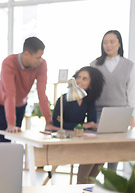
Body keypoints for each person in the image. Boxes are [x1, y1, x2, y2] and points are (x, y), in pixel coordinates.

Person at [0, 36, 56, 142]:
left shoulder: (41, 64)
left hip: (20, 104)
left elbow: (42, 93)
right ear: (26, 54)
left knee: (14, 137)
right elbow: (10, 93)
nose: (40, 60)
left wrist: (48, 122)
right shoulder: (9, 62)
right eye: (37, 57)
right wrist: (11, 124)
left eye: (41, 57)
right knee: (2, 140)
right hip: (2, 103)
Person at [90, 30, 135, 172]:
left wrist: (132, 114)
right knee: (98, 149)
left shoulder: (129, 65)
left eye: (112, 41)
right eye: (105, 42)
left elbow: (131, 91)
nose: (108, 45)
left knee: (115, 149)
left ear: (119, 44)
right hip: (98, 111)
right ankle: (92, 182)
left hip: (120, 112)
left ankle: (110, 181)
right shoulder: (94, 64)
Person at [52, 66, 104, 184]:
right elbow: (56, 124)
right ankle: (82, 183)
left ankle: (88, 182)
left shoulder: (89, 101)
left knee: (101, 154)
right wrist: (82, 125)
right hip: (66, 140)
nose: (79, 81)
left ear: (91, 84)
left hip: (80, 138)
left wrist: (76, 125)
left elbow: (91, 123)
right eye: (79, 77)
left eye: (84, 79)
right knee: (90, 152)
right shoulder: (64, 99)